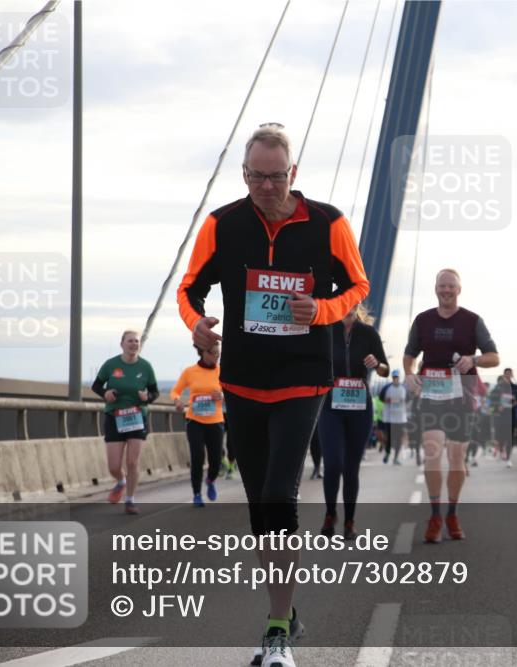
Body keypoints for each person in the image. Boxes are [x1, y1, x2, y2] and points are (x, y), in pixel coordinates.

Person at [177, 123, 369, 667]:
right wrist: (197, 324)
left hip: (303, 379)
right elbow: (189, 287)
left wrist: (324, 310)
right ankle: (284, 611)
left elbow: (358, 286)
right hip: (241, 380)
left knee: (281, 494)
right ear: (244, 174)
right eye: (257, 176)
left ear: (293, 173)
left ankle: (278, 627)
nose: (267, 185)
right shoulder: (222, 224)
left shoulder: (330, 223)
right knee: (259, 498)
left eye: (276, 176)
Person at [403, 268, 499, 543]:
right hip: (431, 394)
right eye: (442, 286)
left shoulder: (472, 321)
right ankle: (435, 514)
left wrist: (474, 360)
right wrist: (410, 374)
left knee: (457, 457)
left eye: (451, 287)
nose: (446, 290)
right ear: (435, 288)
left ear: (459, 290)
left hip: (462, 396)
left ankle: (452, 513)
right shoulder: (422, 320)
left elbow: (494, 356)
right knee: (433, 451)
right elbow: (409, 355)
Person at [318, 303, 389, 540]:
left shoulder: (368, 333)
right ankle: (330, 515)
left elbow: (385, 370)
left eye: (352, 302)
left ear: (357, 304)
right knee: (333, 464)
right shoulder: (327, 330)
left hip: (360, 407)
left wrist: (377, 365)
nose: (347, 306)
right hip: (331, 406)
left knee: (351, 467)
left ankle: (349, 520)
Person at [91, 330, 158, 515]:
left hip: (137, 417)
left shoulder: (145, 366)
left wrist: (147, 397)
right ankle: (121, 481)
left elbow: (155, 392)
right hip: (115, 416)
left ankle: (130, 500)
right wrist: (105, 394)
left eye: (136, 341)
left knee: (132, 462)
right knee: (113, 465)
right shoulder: (111, 364)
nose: (133, 344)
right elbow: (96, 385)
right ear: (122, 344)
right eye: (130, 341)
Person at [171, 341, 226, 507]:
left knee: (216, 459)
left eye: (218, 353)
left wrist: (222, 397)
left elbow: (230, 392)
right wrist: (177, 401)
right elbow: (175, 391)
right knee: (197, 457)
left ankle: (210, 480)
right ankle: (196, 493)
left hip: (215, 420)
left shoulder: (222, 372)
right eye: (214, 353)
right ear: (204, 353)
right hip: (195, 420)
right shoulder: (190, 371)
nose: (217, 357)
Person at [489, 369, 517, 467]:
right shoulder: (498, 387)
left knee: (510, 435)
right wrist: (497, 406)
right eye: (507, 375)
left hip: (512, 414)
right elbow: (491, 399)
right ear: (504, 375)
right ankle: (501, 449)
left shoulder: (515, 387)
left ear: (512, 375)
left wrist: (516, 401)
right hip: (501, 415)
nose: (508, 376)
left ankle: (509, 456)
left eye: (510, 374)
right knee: (501, 436)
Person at [379, 370, 409, 465]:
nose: (396, 379)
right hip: (389, 418)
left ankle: (395, 458)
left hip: (400, 418)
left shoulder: (404, 388)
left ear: (399, 378)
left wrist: (402, 401)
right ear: (392, 378)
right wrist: (387, 400)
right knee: (390, 438)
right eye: (394, 377)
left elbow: (408, 398)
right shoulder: (387, 388)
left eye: (397, 377)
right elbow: (381, 398)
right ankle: (387, 454)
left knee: (399, 439)